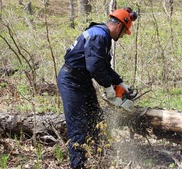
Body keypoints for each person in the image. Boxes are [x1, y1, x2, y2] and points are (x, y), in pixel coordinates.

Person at [57, 7, 137, 169]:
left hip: (82, 80)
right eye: (123, 33)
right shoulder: (99, 36)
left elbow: (103, 65)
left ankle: (100, 156)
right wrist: (108, 87)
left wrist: (120, 83)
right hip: (71, 81)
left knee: (95, 117)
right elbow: (94, 67)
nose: (121, 37)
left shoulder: (102, 35)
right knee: (78, 125)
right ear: (120, 26)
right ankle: (78, 165)